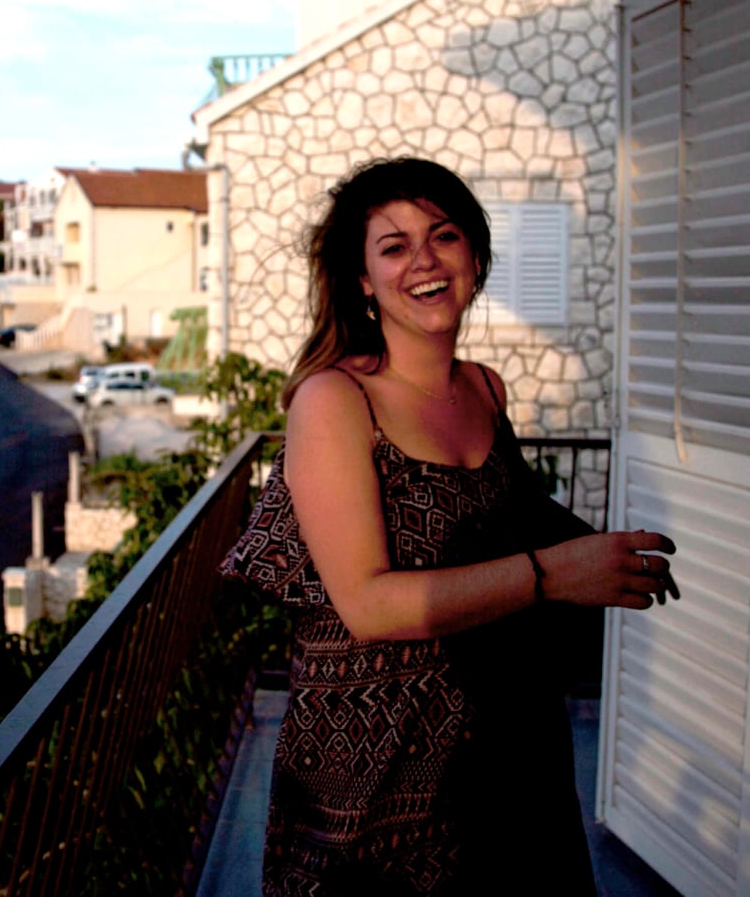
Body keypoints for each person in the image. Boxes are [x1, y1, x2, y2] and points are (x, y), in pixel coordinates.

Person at [222, 157, 679, 895]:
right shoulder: (336, 400)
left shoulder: (485, 388)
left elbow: (506, 531)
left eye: (444, 235)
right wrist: (554, 574)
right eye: (394, 246)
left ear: (475, 257)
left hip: (507, 741)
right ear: (363, 279)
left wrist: (602, 560)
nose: (425, 261)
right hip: (377, 771)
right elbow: (366, 605)